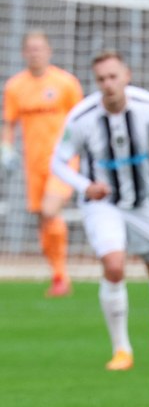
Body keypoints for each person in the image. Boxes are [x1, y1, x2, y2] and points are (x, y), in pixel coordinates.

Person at [50, 50, 149, 371]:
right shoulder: (82, 117)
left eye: (113, 77)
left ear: (127, 76)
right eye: (101, 79)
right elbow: (57, 161)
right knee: (114, 265)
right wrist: (85, 186)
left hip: (142, 205)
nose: (108, 84)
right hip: (103, 205)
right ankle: (122, 349)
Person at [3, 31, 84, 297]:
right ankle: (59, 275)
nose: (35, 53)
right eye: (30, 49)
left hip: (63, 160)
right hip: (33, 163)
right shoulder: (15, 87)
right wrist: (6, 148)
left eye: (39, 48)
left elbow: (83, 119)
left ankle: (61, 276)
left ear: (48, 51)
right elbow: (9, 123)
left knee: (50, 211)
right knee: (43, 219)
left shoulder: (66, 83)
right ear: (24, 53)